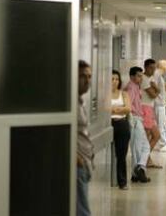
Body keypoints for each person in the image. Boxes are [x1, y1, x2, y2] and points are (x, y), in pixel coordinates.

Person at [125, 66, 151, 183]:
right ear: (132, 76)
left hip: (136, 118)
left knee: (137, 148)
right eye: (138, 76)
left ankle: (135, 174)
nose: (141, 78)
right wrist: (131, 121)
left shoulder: (135, 86)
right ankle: (140, 168)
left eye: (141, 76)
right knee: (144, 146)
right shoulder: (131, 87)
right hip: (134, 119)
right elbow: (128, 105)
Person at [77, 60, 95, 216]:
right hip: (77, 164)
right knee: (82, 211)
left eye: (90, 76)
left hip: (84, 163)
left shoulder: (80, 102)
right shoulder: (68, 105)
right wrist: (77, 158)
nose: (87, 80)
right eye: (83, 76)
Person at [111, 70, 131, 190]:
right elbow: (103, 108)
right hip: (108, 124)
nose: (114, 81)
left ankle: (122, 182)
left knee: (121, 155)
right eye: (112, 79)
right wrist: (120, 108)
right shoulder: (104, 93)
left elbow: (128, 108)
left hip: (122, 124)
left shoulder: (123, 94)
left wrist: (113, 109)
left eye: (117, 79)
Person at [141, 59, 162, 168]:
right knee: (149, 136)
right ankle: (144, 159)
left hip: (150, 109)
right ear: (145, 67)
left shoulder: (151, 78)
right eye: (151, 68)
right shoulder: (144, 79)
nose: (153, 70)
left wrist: (155, 87)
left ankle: (146, 158)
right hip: (144, 109)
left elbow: (156, 91)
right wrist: (156, 88)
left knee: (156, 135)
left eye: (154, 68)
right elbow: (154, 95)